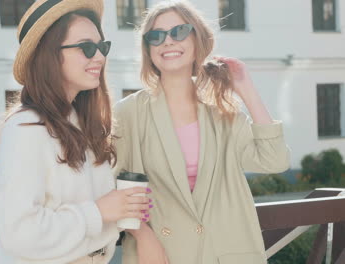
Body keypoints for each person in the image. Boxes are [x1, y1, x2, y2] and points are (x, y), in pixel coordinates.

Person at [113, 1, 290, 263]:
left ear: (198, 41)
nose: (168, 41)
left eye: (179, 32)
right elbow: (115, 188)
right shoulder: (128, 112)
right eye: (156, 35)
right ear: (148, 48)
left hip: (227, 252)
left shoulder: (222, 110)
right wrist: (143, 237)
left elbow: (274, 161)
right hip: (161, 253)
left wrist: (246, 89)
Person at [0, 1, 151, 263]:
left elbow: (97, 220)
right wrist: (99, 212)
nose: (99, 56)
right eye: (87, 47)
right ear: (49, 54)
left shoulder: (83, 123)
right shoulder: (25, 128)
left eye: (102, 47)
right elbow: (19, 234)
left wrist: (126, 215)